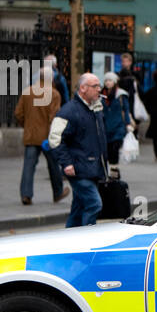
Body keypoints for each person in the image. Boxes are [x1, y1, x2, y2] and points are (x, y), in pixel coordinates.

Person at [48, 73, 107, 228]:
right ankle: (86, 240)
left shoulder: (95, 109)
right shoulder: (69, 111)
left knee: (79, 207)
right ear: (83, 88)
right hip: (78, 169)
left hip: (93, 168)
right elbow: (55, 139)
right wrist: (66, 163)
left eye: (99, 86)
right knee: (94, 204)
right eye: (95, 86)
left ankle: (69, 238)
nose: (99, 90)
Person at [14, 66, 67, 205]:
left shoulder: (28, 92)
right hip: (47, 137)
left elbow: (18, 113)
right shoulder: (54, 94)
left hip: (31, 135)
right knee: (54, 165)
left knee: (28, 166)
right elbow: (54, 116)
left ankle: (26, 194)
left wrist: (26, 125)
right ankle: (58, 192)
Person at [100, 71, 133, 177]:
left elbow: (126, 110)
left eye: (110, 80)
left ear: (115, 82)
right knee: (108, 149)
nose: (107, 82)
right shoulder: (101, 95)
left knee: (115, 148)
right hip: (105, 127)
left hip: (118, 126)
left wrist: (128, 124)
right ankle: (112, 169)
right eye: (106, 80)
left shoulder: (121, 95)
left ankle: (114, 170)